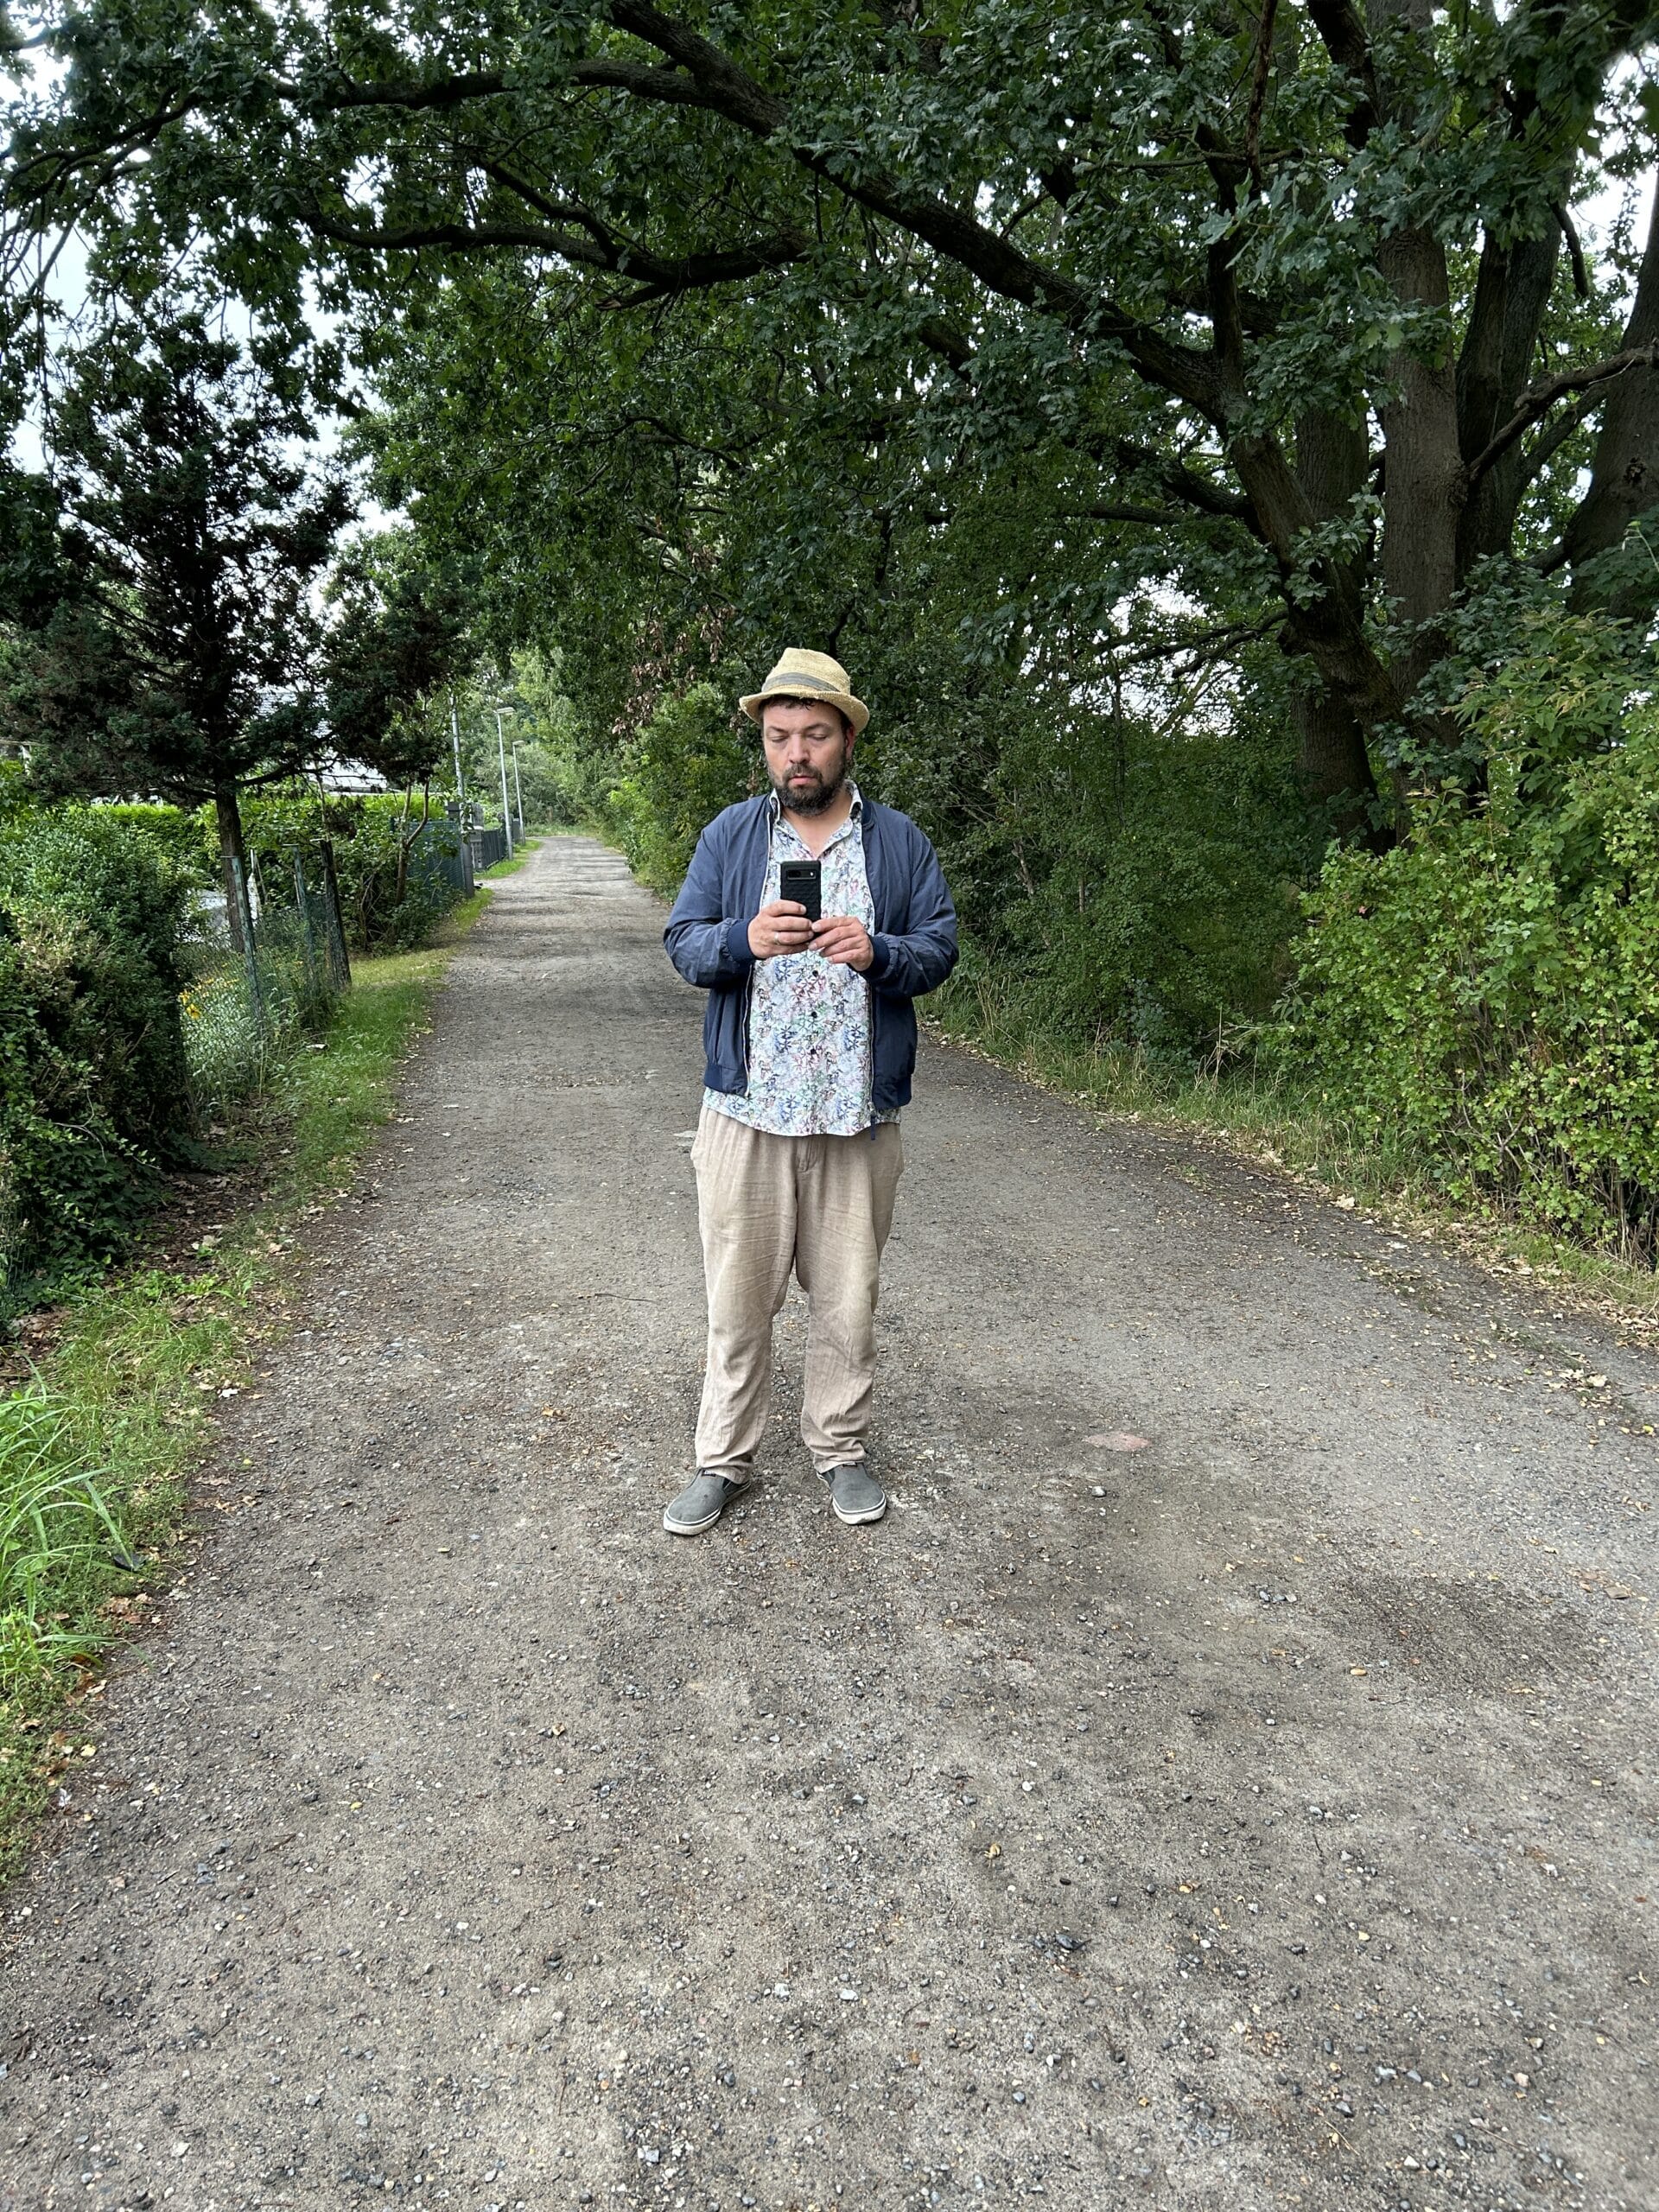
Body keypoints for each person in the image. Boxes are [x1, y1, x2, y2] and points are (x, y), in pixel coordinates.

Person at [661, 648, 958, 1535]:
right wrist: (744, 939)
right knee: (737, 1302)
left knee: (847, 1301)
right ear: (764, 743)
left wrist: (883, 955)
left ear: (847, 738)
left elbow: (939, 948)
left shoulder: (900, 842)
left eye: (815, 734)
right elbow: (683, 943)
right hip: (747, 1112)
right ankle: (723, 1460)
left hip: (855, 1115)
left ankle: (840, 1449)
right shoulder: (731, 837)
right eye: (780, 736)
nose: (797, 752)